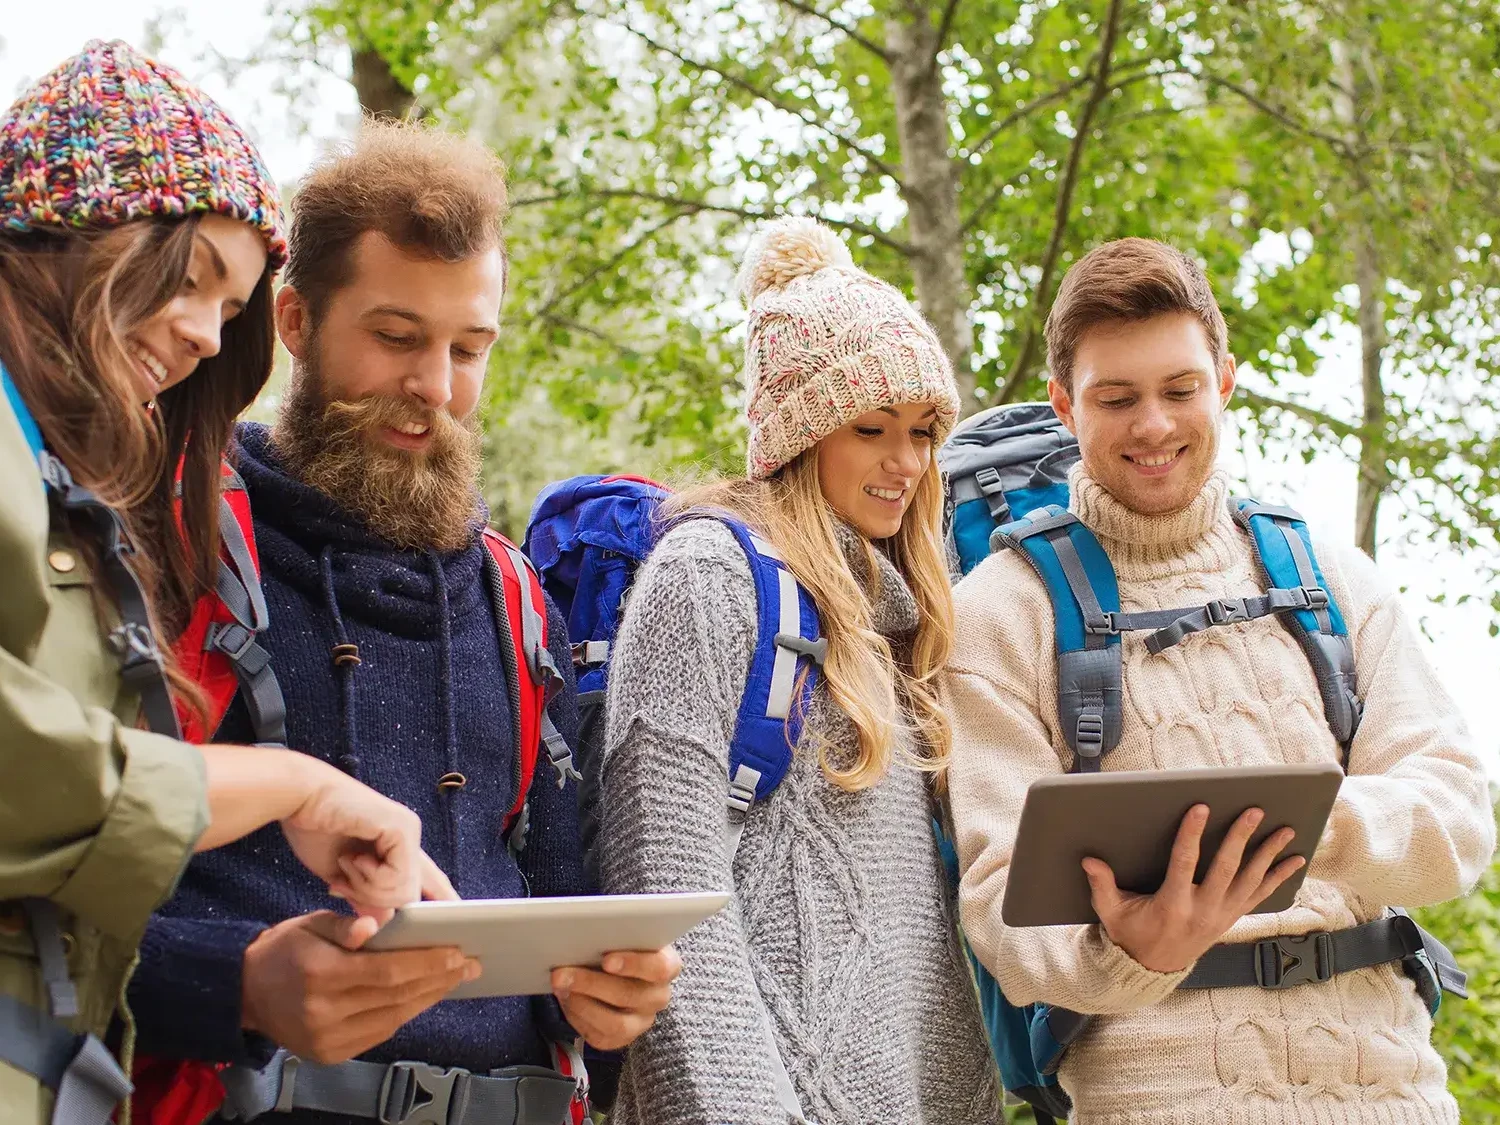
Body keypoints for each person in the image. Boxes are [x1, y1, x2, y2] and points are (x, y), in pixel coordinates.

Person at [128, 120, 678, 1125]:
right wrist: (234, 985)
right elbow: (52, 899)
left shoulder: (515, 598)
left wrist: (612, 1001)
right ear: (291, 321)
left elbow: (567, 905)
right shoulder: (167, 541)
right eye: (395, 338)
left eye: (469, 349)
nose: (435, 388)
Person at [941, 237, 1497, 1123]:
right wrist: (1134, 950)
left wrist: (1293, 824)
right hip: (1157, 1098)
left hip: (1398, 1094)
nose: (1153, 425)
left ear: (1225, 381)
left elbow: (1459, 819)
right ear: (1064, 405)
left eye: (1180, 390)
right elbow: (1000, 904)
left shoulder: (1329, 578)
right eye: (1115, 398)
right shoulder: (1000, 613)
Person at [0, 40, 452, 1125]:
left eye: (231, 305)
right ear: (74, 230)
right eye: (193, 276)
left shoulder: (73, 485)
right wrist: (293, 786)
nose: (206, 336)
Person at [595, 217, 1000, 1125]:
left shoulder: (900, 624)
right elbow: (665, 880)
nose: (908, 463)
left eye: (926, 431)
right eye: (872, 428)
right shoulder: (706, 576)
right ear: (799, 433)